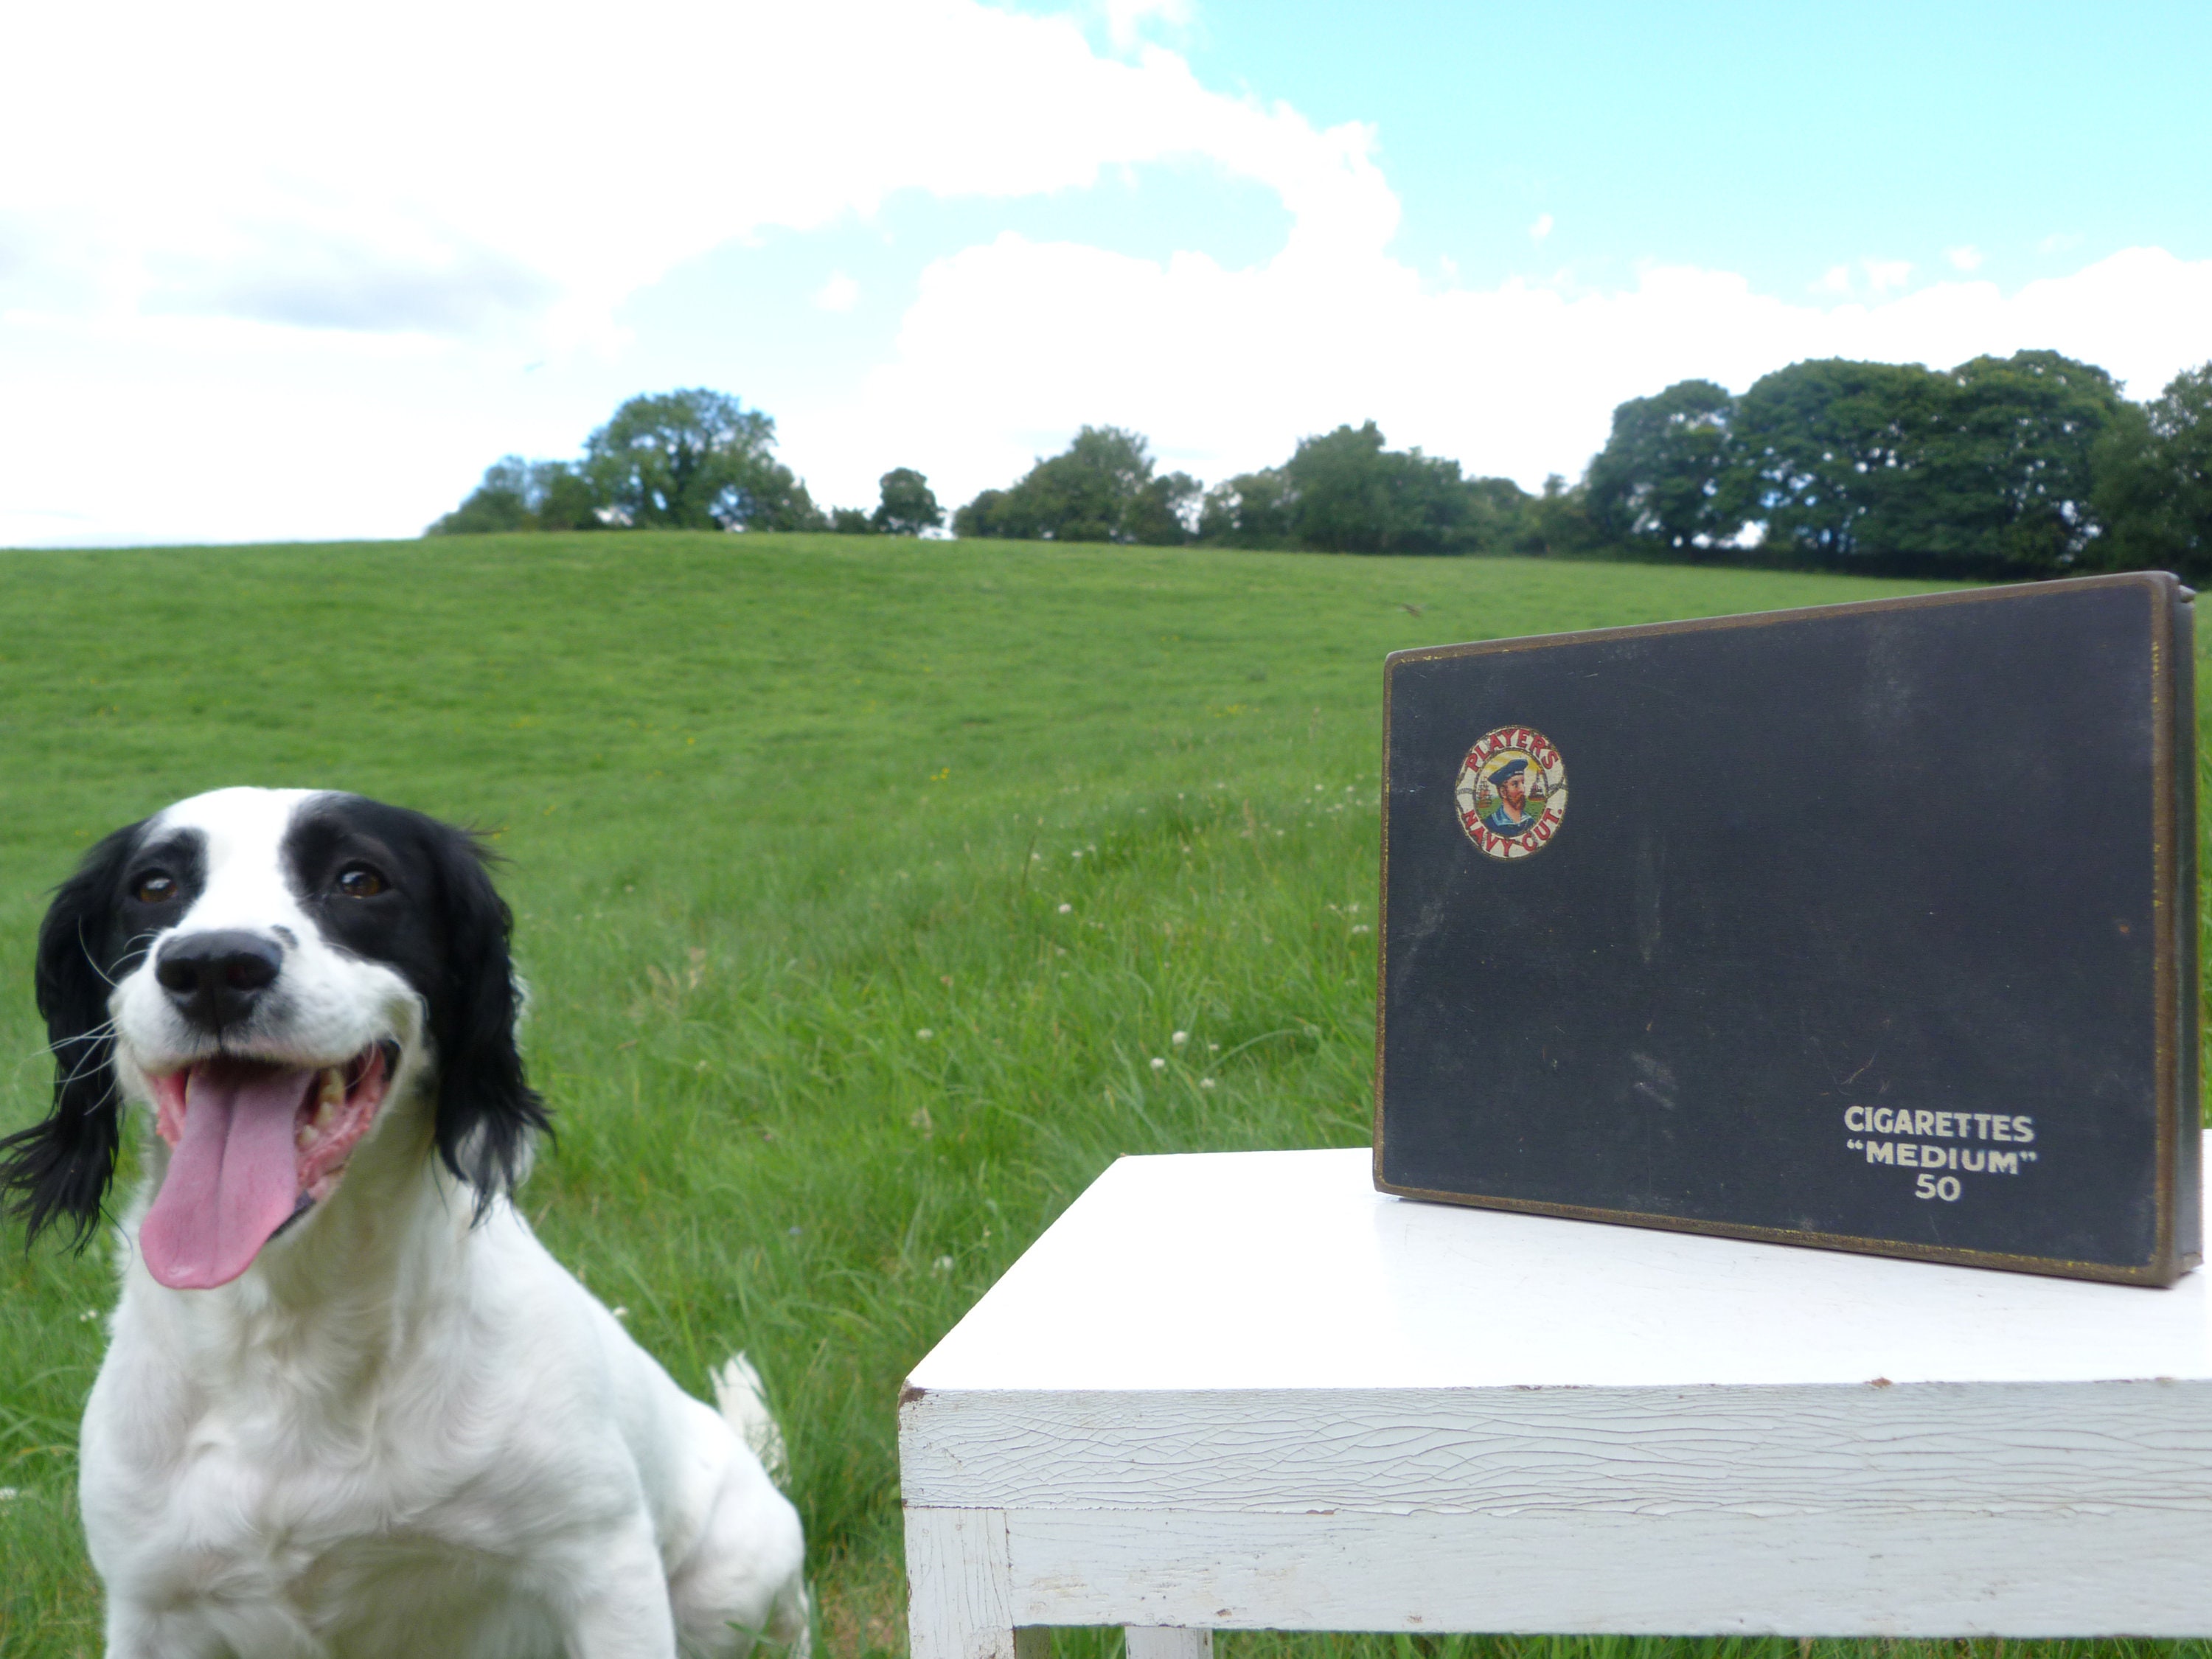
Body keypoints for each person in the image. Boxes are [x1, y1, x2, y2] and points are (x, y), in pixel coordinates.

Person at [1480, 756, 1545, 835]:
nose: (1523, 790)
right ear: (1503, 792)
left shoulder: (1530, 822)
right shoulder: (1490, 824)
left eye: (1523, 783)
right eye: (1515, 784)